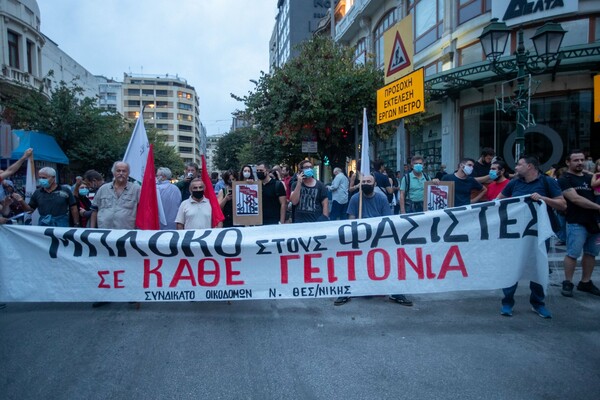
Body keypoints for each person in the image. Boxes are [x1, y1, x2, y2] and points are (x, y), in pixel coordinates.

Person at [496, 155, 566, 318]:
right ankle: (507, 302)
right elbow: (498, 202)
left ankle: (538, 303)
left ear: (530, 167)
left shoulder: (547, 182)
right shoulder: (514, 183)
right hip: (516, 233)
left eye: (519, 164)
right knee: (512, 266)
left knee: (538, 266)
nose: (516, 167)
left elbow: (562, 204)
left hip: (539, 234)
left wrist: (542, 198)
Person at [334, 174, 413, 307]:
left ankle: (396, 292)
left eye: (368, 181)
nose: (366, 183)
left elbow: (387, 220)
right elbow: (351, 219)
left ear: (374, 184)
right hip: (360, 237)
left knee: (387, 263)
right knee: (353, 263)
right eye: (363, 181)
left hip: (378, 237)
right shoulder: (355, 199)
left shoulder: (381, 198)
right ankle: (346, 291)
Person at [558, 150, 600, 298]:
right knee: (572, 253)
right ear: (568, 162)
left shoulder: (591, 178)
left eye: (582, 160)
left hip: (595, 223)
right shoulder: (565, 179)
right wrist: (598, 207)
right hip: (576, 222)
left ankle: (585, 282)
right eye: (576, 160)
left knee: (591, 254)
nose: (580, 163)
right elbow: (575, 199)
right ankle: (568, 282)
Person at [90, 161, 140, 230]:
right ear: (113, 172)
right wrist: (91, 229)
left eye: (124, 171)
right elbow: (94, 210)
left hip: (126, 233)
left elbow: (142, 211)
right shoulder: (103, 188)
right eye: (118, 171)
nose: (121, 173)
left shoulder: (136, 189)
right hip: (104, 232)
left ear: (128, 173)